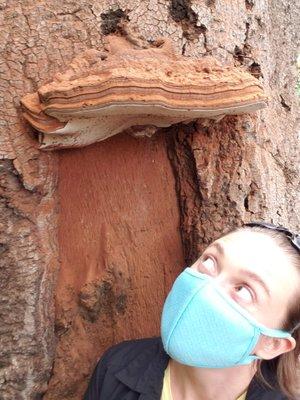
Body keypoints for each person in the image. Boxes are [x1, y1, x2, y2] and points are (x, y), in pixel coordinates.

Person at [83, 221, 300, 400]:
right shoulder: (117, 366)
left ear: (272, 344)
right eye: (210, 261)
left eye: (243, 290)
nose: (206, 288)